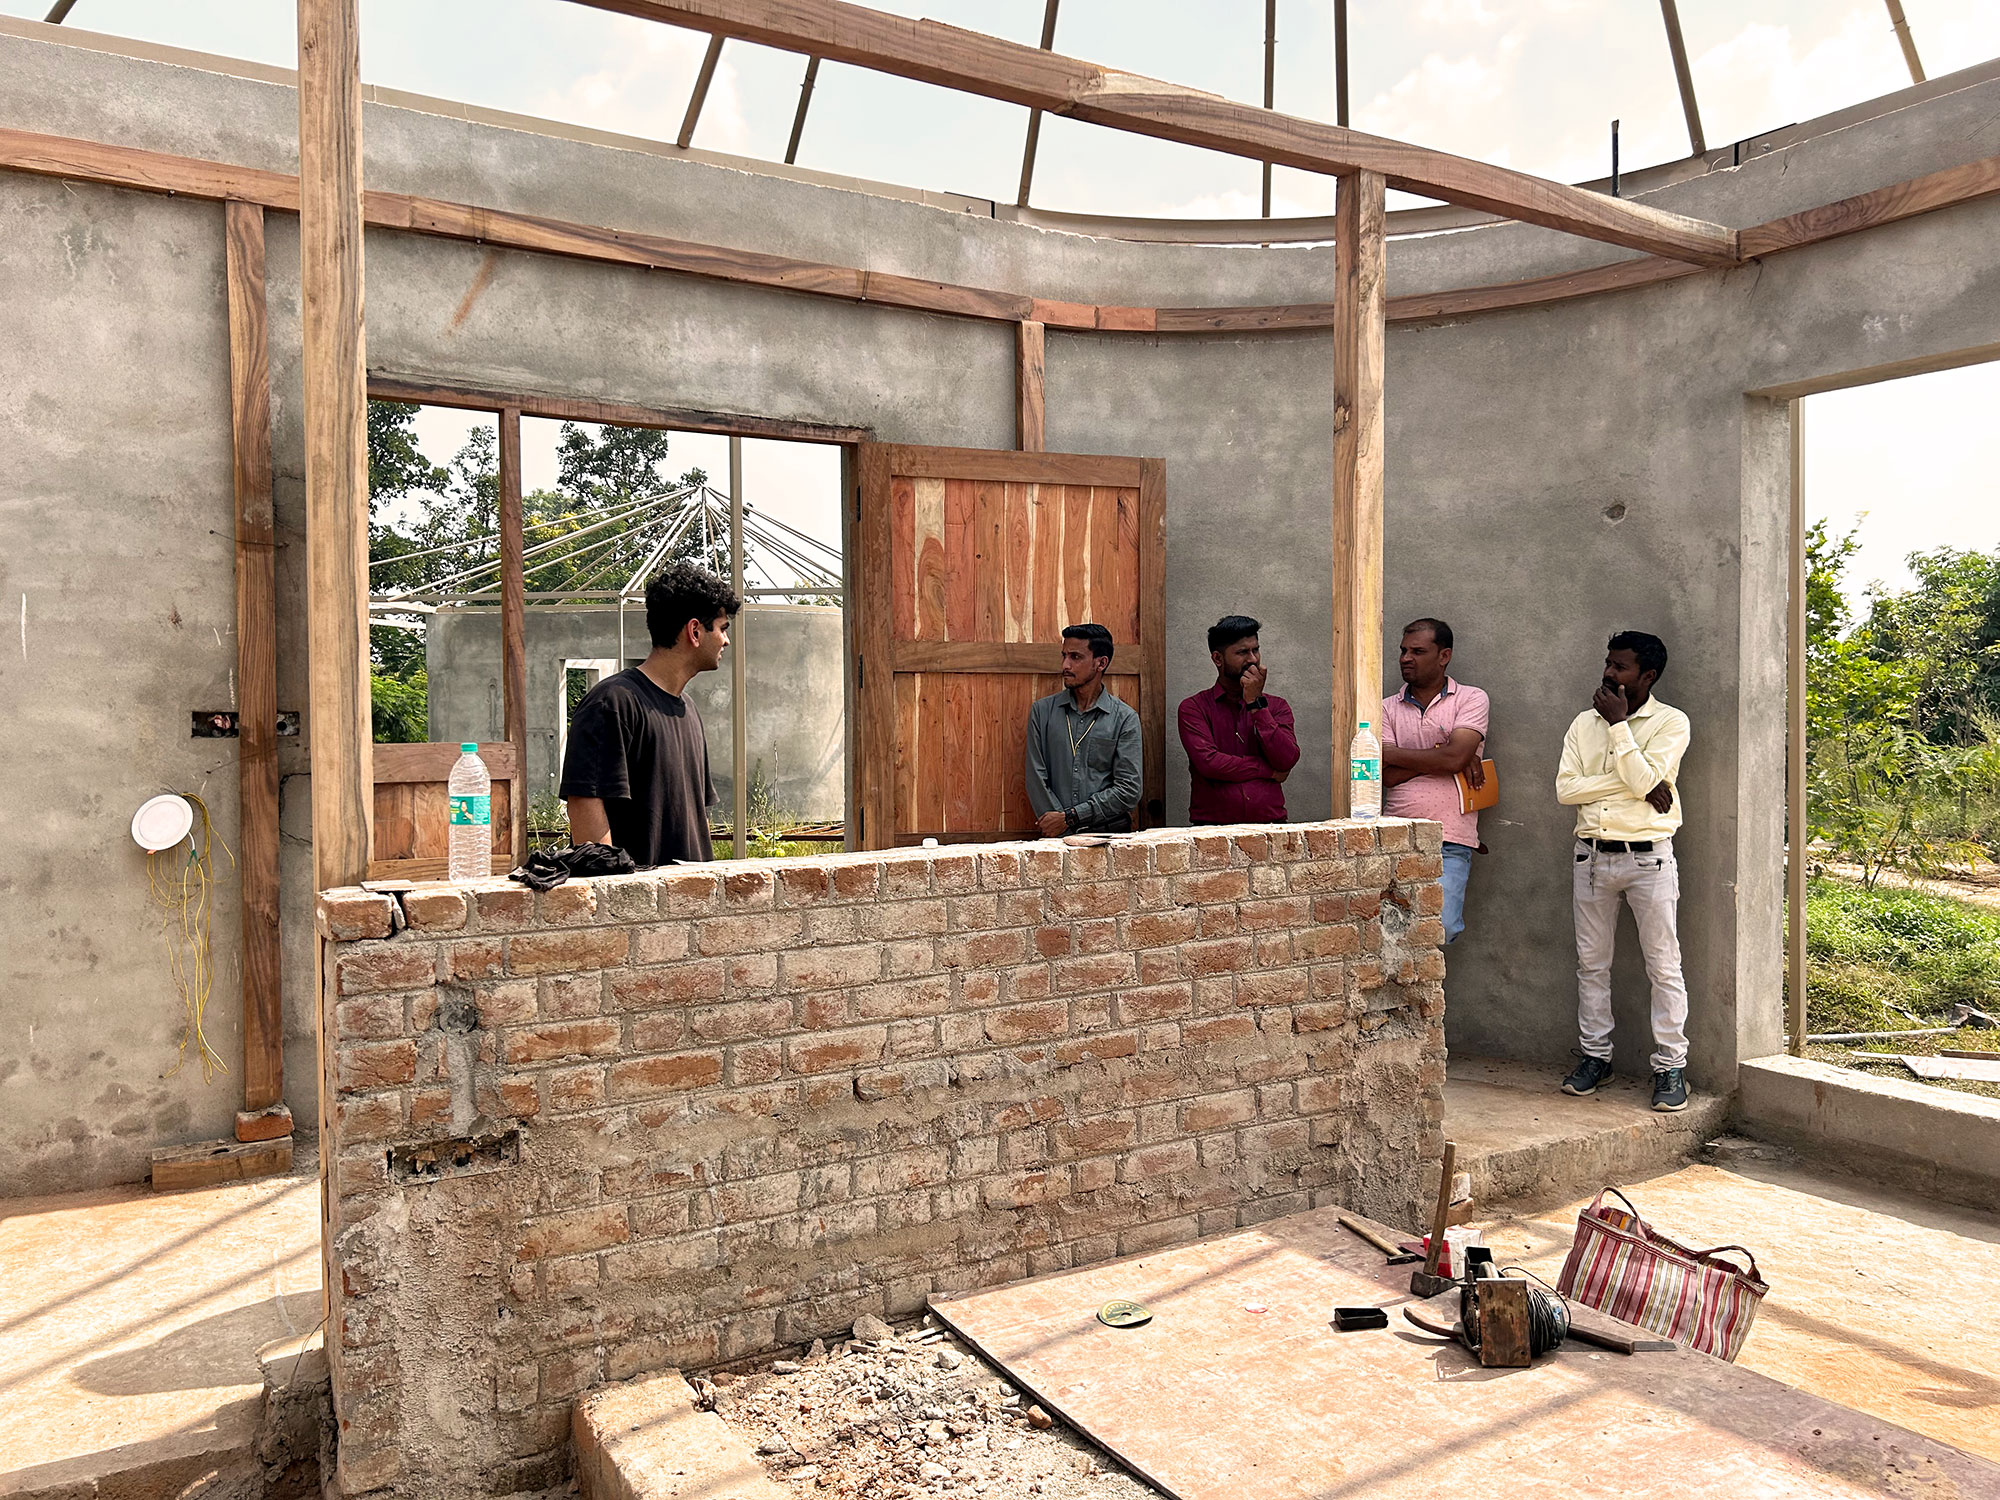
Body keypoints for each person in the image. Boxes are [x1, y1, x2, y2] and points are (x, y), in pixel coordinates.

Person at [1556, 631, 1693, 1113]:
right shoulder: (1581, 723)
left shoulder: (1672, 723)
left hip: (1648, 859)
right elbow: (1566, 791)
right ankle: (1596, 1056)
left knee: (1663, 964)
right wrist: (1639, 785)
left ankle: (1671, 1065)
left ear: (1648, 676)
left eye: (1621, 667)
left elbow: (1643, 781)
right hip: (1590, 856)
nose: (1609, 673)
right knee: (1592, 965)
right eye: (1608, 663)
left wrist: (1619, 727)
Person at [559, 561, 740, 865]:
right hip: (640, 907)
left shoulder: (689, 710)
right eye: (722, 629)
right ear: (694, 631)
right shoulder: (612, 703)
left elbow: (696, 819)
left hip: (690, 901)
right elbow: (585, 806)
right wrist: (612, 895)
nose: (726, 640)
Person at [1380, 618, 1489, 944]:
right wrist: (1443, 754)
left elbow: (1454, 758)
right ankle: (1406, 996)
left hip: (1451, 837)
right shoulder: (1385, 708)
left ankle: (1420, 993)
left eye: (1417, 651)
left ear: (1444, 656)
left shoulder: (1471, 699)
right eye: (1403, 651)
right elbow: (1384, 775)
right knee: (1391, 933)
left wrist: (1406, 755)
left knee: (1442, 926)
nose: (1405, 658)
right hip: (1396, 833)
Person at [1025, 623, 1143, 836]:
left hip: (1108, 839)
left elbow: (1129, 790)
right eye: (1064, 656)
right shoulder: (1042, 712)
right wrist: (1059, 826)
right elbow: (1036, 777)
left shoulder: (1124, 719)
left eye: (1075, 657)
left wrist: (1071, 818)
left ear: (1101, 663)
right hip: (1055, 841)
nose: (1065, 665)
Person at [1179, 615, 1300, 824]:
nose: (1253, 659)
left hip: (1270, 828)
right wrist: (1267, 770)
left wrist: (1255, 705)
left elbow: (1287, 759)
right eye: (1242, 652)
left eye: (1256, 650)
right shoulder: (1193, 708)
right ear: (1218, 659)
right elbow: (1210, 763)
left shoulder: (1277, 706)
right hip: (1212, 831)